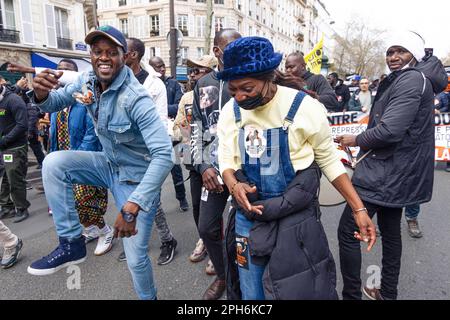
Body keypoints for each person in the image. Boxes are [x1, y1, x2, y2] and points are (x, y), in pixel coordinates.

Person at [217, 36, 376, 300]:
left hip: (296, 219)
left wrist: (358, 208)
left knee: (296, 289)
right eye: (233, 90)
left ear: (269, 78)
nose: (240, 97)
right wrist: (233, 184)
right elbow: (226, 158)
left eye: (247, 88)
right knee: (251, 292)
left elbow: (328, 160)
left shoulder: (304, 107)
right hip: (249, 217)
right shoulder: (230, 111)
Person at [27, 25, 173, 300]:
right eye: (97, 52)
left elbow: (165, 155)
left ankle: (148, 297)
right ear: (91, 56)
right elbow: (54, 102)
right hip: (108, 164)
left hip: (136, 179)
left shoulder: (136, 98)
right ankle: (72, 242)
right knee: (53, 163)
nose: (103, 58)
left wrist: (132, 207)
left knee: (135, 258)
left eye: (111, 52)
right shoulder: (87, 81)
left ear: (124, 56)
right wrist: (41, 94)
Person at [337, 31, 447, 300]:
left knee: (348, 232)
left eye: (401, 51)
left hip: (386, 172)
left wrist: (356, 138)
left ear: (416, 54)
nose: (394, 57)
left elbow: (390, 131)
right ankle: (387, 293)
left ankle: (352, 295)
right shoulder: (414, 78)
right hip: (397, 170)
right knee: (390, 232)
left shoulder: (411, 79)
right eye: (390, 52)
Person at [190, 28, 242, 300]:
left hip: (246, 170)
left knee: (246, 233)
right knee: (207, 227)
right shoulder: (203, 84)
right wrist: (202, 166)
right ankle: (223, 276)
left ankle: (244, 283)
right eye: (231, 47)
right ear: (217, 51)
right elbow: (196, 129)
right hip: (213, 171)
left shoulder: (249, 79)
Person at [121, 37, 177, 265]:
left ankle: (167, 239)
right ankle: (133, 240)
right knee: (126, 196)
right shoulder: (116, 78)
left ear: (133, 54)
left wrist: (158, 154)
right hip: (122, 150)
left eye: (120, 49)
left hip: (146, 151)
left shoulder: (155, 84)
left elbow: (162, 121)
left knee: (150, 199)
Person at [172, 55, 218, 264]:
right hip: (194, 159)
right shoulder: (187, 98)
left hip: (217, 160)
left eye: (198, 70)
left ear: (211, 72)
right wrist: (184, 137)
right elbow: (180, 125)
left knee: (218, 207)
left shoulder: (219, 93)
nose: (192, 74)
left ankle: (217, 246)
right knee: (198, 206)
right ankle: (204, 240)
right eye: (191, 70)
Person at [149, 56, 189, 212]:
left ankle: (182, 198)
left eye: (163, 66)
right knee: (153, 172)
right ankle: (154, 205)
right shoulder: (148, 84)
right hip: (154, 132)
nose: (162, 69)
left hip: (171, 132)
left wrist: (160, 109)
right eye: (157, 67)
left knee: (176, 168)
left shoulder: (173, 84)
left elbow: (179, 106)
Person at [0, 74, 30, 223]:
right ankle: (7, 207)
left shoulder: (13, 100)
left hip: (15, 147)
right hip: (4, 147)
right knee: (6, 177)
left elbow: (22, 125)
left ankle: (22, 208)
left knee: (15, 178)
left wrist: (5, 140)